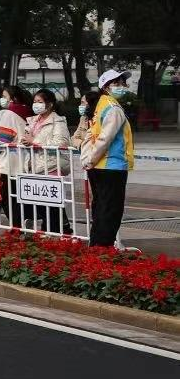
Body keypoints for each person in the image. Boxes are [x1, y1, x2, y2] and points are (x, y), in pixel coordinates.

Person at [81, 69, 135, 247]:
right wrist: (89, 160)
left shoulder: (100, 106)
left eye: (122, 83)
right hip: (112, 166)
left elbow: (90, 135)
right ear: (105, 87)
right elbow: (105, 139)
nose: (122, 86)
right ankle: (102, 250)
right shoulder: (113, 109)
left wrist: (88, 160)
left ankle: (96, 247)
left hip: (98, 167)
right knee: (110, 211)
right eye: (116, 83)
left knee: (100, 209)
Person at [18, 88, 70, 234]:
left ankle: (56, 233)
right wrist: (25, 140)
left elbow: (61, 143)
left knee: (52, 207)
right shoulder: (32, 120)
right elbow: (27, 138)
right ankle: (47, 232)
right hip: (34, 168)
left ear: (50, 104)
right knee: (40, 205)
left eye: (39, 101)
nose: (36, 104)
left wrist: (34, 141)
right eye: (34, 101)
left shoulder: (58, 121)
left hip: (51, 167)